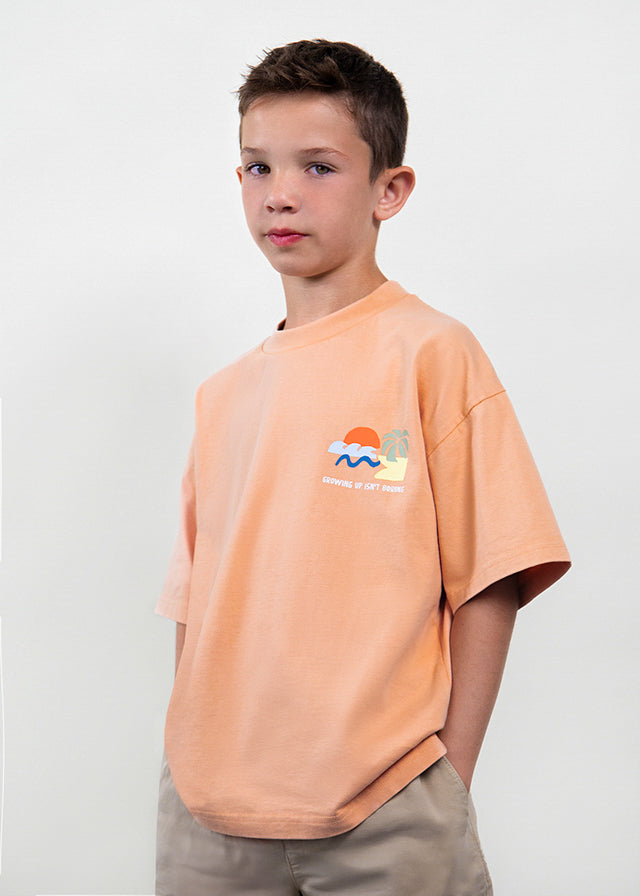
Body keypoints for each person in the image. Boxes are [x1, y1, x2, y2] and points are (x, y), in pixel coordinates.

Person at [154, 38, 571, 896]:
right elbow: (195, 603)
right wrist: (189, 759)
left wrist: (447, 778)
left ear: (390, 189)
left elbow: (490, 576)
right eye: (258, 167)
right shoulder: (222, 395)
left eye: (318, 167)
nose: (280, 193)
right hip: (209, 817)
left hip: (386, 807)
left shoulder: (432, 353)